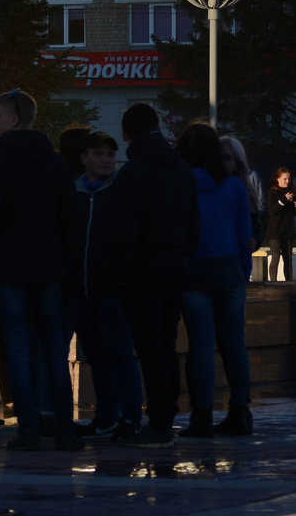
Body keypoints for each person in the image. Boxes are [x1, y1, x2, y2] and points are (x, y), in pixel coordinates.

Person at [0, 90, 80, 451]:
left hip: (8, 268)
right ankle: (63, 427)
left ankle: (28, 427)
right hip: (47, 270)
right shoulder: (55, 164)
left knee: (17, 345)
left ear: (14, 119)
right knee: (53, 348)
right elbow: (70, 219)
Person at [113, 103, 200, 448]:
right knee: (166, 343)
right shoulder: (181, 169)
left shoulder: (133, 172)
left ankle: (159, 421)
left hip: (143, 271)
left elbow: (123, 229)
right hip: (176, 266)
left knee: (149, 347)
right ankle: (167, 416)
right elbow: (194, 222)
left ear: (126, 133)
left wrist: (120, 271)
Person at [175, 122, 254, 437]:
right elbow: (245, 234)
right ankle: (240, 411)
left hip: (194, 270)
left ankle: (202, 415)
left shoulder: (181, 184)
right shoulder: (233, 185)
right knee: (234, 344)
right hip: (229, 269)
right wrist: (242, 272)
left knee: (201, 345)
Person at [65, 132, 143, 441]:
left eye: (110, 155)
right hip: (81, 288)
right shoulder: (75, 194)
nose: (106, 160)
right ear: (84, 159)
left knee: (121, 354)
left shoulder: (120, 193)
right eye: (98, 154)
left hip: (112, 288)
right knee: (96, 355)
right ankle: (107, 414)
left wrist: (121, 276)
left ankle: (131, 416)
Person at [221, 136, 265, 245]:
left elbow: (256, 227)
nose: (221, 162)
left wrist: (255, 241)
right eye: (218, 157)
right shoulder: (204, 189)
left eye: (227, 158)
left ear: (237, 163)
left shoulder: (245, 188)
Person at [266, 167, 294, 283]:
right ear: (277, 179)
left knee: (288, 258)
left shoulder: (291, 192)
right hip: (275, 232)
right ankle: (273, 283)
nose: (287, 181)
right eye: (284, 179)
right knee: (276, 257)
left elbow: (291, 212)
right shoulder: (273, 192)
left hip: (288, 231)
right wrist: (284, 200)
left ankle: (289, 283)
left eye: (289, 179)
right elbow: (272, 210)